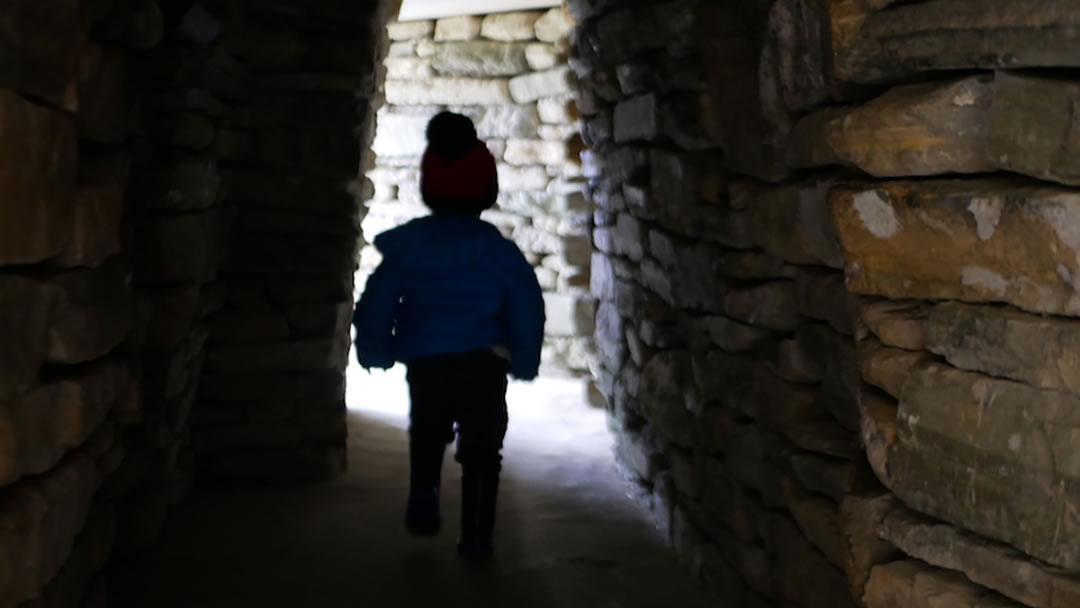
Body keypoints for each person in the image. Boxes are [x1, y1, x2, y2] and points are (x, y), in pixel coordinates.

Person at [352, 111, 545, 562]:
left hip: (427, 360)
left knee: (427, 428)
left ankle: (424, 496)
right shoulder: (499, 252)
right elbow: (527, 307)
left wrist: (376, 350)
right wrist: (525, 360)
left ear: (429, 188)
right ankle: (477, 537)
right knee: (483, 450)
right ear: (487, 192)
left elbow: (378, 300)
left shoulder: (409, 247)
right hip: (484, 363)